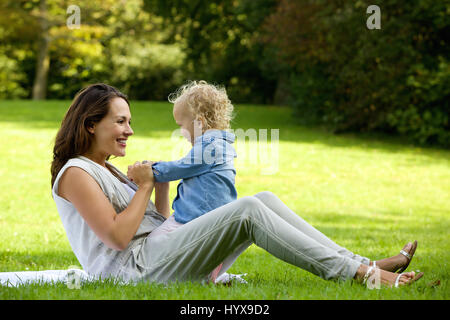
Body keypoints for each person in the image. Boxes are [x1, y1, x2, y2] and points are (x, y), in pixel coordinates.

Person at [51, 83, 423, 287]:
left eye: (128, 121)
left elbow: (158, 223)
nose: (129, 130)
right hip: (131, 273)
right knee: (247, 210)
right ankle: (364, 276)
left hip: (156, 254)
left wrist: (158, 187)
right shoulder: (76, 173)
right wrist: (147, 185)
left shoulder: (111, 171)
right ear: (90, 125)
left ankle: (363, 262)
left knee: (262, 198)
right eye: (120, 122)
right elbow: (118, 239)